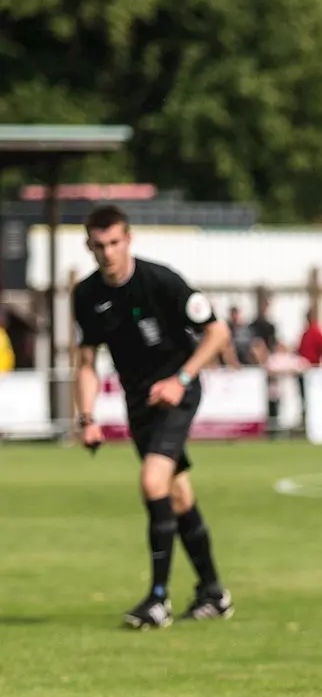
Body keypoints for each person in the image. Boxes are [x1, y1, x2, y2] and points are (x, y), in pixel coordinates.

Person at [72, 205, 235, 628]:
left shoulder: (161, 281)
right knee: (177, 495)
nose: (107, 253)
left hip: (177, 392)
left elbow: (218, 333)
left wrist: (182, 378)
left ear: (128, 239)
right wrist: (86, 417)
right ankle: (213, 592)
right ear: (89, 246)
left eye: (114, 243)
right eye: (98, 245)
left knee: (152, 481)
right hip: (139, 401)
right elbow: (86, 361)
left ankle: (157, 600)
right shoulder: (87, 295)